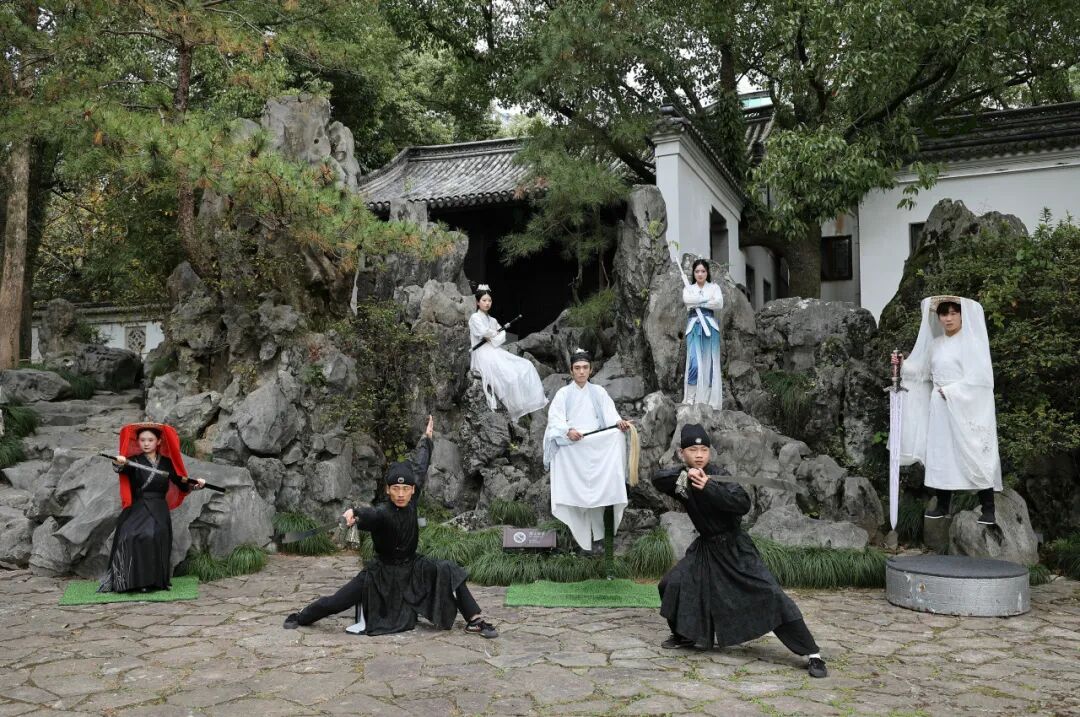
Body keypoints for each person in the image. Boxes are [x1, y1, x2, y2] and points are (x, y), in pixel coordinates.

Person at [284, 416, 498, 638]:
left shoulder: (412, 497)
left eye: (405, 489)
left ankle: (474, 620)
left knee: (449, 570)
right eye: (395, 489)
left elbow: (420, 466)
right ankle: (302, 616)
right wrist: (354, 513)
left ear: (413, 490)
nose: (401, 494)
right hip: (382, 574)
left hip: (413, 567)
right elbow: (369, 515)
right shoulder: (382, 513)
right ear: (387, 490)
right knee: (337, 601)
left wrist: (427, 439)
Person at [652, 423, 828, 679]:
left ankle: (813, 654)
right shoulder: (681, 479)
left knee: (771, 594)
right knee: (670, 584)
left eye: (704, 450)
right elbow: (658, 479)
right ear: (682, 453)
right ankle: (684, 635)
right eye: (693, 450)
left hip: (735, 547)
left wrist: (709, 486)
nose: (699, 455)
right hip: (706, 548)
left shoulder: (719, 475)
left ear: (710, 452)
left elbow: (742, 504)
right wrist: (684, 474)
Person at [899, 296, 1002, 525]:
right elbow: (922, 371)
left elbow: (982, 378)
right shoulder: (936, 345)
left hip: (966, 405)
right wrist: (902, 365)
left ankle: (988, 509)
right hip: (940, 406)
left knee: (975, 450)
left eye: (954, 313)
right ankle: (943, 505)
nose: (948, 318)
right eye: (944, 314)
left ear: (962, 316)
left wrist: (952, 391)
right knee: (942, 452)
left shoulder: (972, 343)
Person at [543, 348, 631, 552]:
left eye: (585, 367)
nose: (581, 371)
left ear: (591, 370)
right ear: (571, 370)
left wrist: (619, 423)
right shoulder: (563, 394)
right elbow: (554, 420)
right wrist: (568, 431)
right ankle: (579, 538)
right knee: (575, 489)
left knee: (616, 437)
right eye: (577, 368)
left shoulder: (599, 392)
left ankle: (600, 537)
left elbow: (611, 416)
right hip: (573, 446)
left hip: (595, 444)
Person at [100, 423, 205, 593]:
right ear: (138, 442)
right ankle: (126, 581)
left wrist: (197, 484)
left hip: (158, 509)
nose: (146, 443)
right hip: (137, 507)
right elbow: (122, 469)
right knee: (128, 535)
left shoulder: (167, 463)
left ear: (158, 442)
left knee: (151, 535)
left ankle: (151, 582)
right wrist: (118, 463)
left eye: (150, 440)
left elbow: (181, 483)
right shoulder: (133, 461)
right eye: (142, 440)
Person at [468, 284, 548, 421]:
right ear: (477, 302)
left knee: (526, 365)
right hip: (482, 353)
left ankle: (527, 402)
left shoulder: (492, 320)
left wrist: (493, 335)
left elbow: (501, 336)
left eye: (489, 300)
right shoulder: (475, 318)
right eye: (484, 300)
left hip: (494, 350)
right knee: (509, 376)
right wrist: (492, 334)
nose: (487, 303)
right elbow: (483, 332)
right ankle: (513, 407)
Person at [682, 259, 724, 408]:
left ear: (707, 272)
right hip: (694, 326)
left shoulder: (714, 287)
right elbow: (687, 300)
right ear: (693, 273)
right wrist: (706, 300)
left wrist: (697, 302)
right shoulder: (688, 288)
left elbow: (718, 303)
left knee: (710, 364)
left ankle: (707, 401)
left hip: (710, 327)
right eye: (697, 271)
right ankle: (690, 399)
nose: (700, 274)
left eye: (703, 271)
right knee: (694, 363)